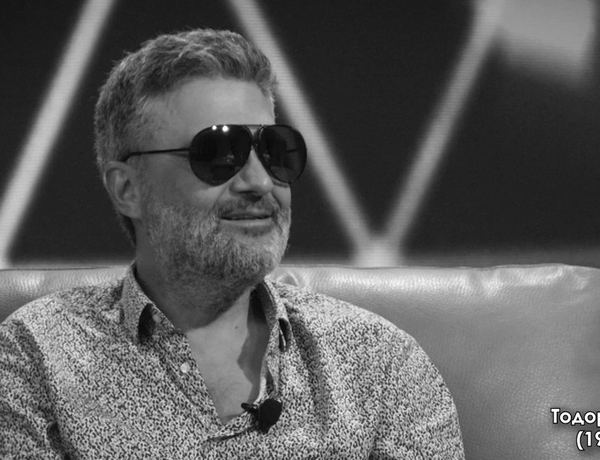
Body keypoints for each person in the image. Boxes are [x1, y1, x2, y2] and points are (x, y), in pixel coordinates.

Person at [0, 29, 464, 458]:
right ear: (128, 188)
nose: (259, 182)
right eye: (219, 153)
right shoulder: (37, 357)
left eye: (274, 150)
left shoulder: (378, 363)